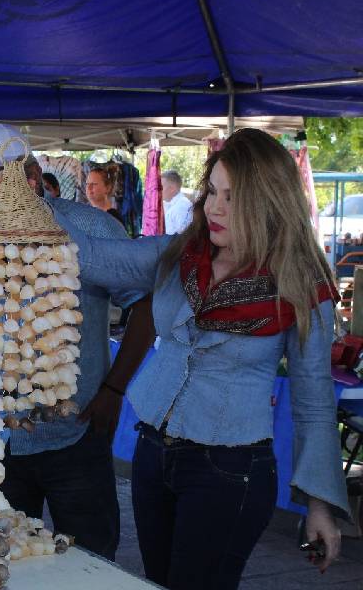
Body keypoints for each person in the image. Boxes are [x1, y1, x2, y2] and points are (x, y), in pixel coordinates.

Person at [49, 128, 349, 590]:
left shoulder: (302, 285)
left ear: (269, 202)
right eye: (212, 190)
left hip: (230, 471)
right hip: (153, 452)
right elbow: (92, 258)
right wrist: (25, 202)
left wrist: (320, 505)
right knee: (158, 582)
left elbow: (313, 402)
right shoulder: (180, 254)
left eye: (233, 196)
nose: (214, 206)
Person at [0, 124, 155, 559]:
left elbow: (146, 305)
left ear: (29, 178)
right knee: (2, 559)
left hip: (75, 431)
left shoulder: (89, 227)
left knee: (90, 559)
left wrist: (114, 389)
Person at [161, 169, 193, 234]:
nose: (158, 190)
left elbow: (182, 238)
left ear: (172, 189)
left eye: (161, 187)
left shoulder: (182, 207)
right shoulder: (168, 203)